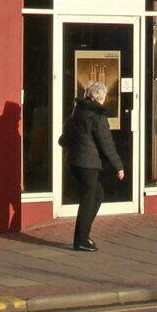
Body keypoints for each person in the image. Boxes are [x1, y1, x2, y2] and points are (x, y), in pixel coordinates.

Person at [62, 78, 125, 252]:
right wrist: (118, 166)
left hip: (75, 162)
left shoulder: (77, 112)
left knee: (97, 194)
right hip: (88, 164)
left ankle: (84, 236)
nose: (105, 101)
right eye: (104, 97)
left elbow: (63, 139)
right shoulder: (97, 116)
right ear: (99, 98)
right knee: (89, 198)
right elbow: (107, 144)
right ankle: (81, 240)